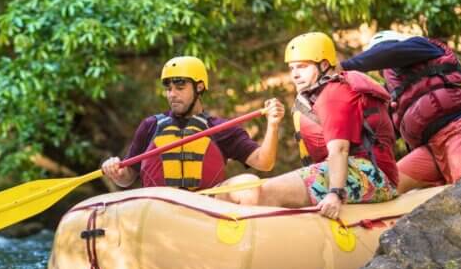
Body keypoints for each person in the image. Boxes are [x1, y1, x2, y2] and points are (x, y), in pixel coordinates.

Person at [249, 32, 399, 219]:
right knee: (256, 190)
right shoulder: (320, 94)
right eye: (292, 68)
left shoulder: (333, 93)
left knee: (267, 192)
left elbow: (340, 149)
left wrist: (335, 193)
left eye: (302, 67)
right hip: (358, 170)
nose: (295, 74)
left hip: (373, 176)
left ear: (324, 65)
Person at [101, 56, 285, 203]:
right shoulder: (150, 126)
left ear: (199, 87)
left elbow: (264, 162)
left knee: (248, 183)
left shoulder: (219, 128)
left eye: (180, 87)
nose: (172, 94)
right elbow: (127, 178)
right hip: (157, 209)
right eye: (169, 88)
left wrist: (273, 124)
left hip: (203, 209)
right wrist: (115, 171)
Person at [340, 30, 461, 192]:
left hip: (460, 128)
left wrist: (344, 66)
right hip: (429, 149)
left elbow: (392, 53)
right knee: (386, 186)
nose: (385, 72)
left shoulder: (422, 46)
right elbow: (378, 132)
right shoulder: (395, 95)